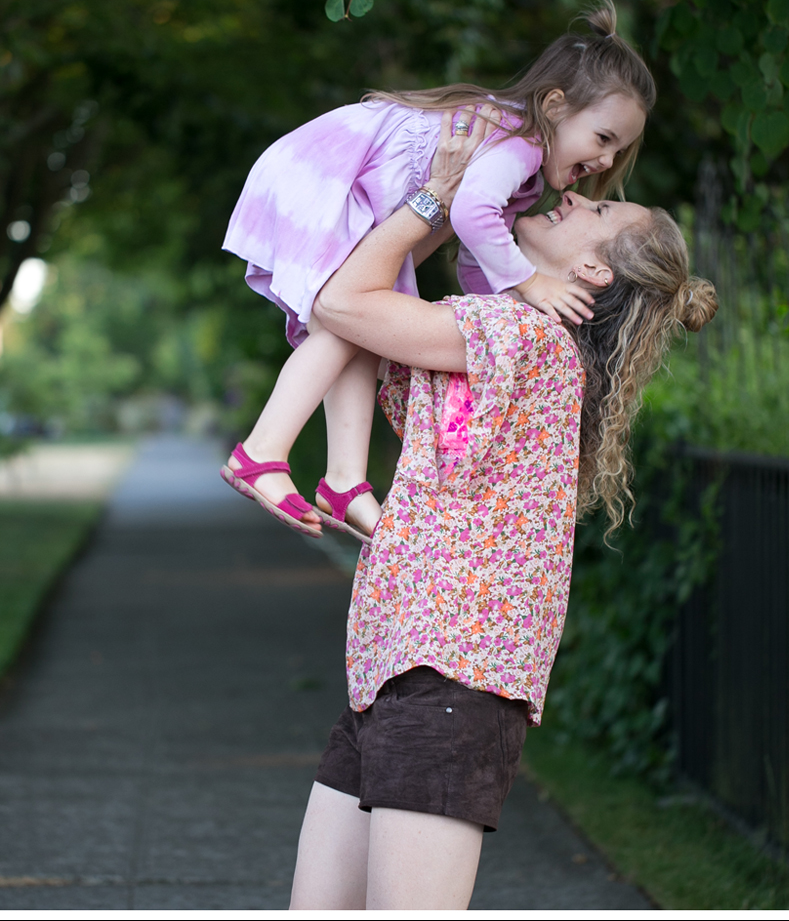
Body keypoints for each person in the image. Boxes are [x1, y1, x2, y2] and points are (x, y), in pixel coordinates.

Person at [287, 111, 717, 910]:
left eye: (597, 213)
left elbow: (343, 300)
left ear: (591, 273)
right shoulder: (505, 340)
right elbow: (360, 315)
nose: (575, 196)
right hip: (391, 675)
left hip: (450, 682)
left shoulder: (524, 337)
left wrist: (436, 194)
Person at [221, 0, 656, 543]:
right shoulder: (519, 142)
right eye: (603, 139)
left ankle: (344, 481)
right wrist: (528, 281)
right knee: (341, 319)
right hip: (329, 170)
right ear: (556, 105)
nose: (606, 164)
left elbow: (478, 257)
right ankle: (262, 451)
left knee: (359, 327)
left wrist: (497, 307)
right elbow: (472, 214)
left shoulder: (522, 174)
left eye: (619, 149)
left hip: (349, 184)